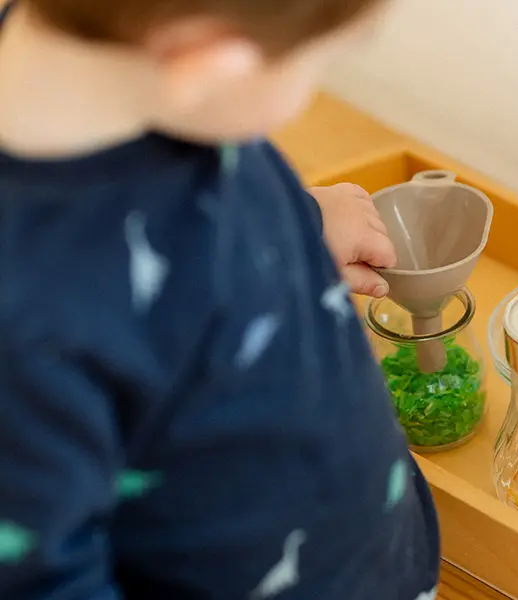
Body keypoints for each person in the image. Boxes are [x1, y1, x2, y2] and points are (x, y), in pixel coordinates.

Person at [0, 1, 440, 599]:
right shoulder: (30, 333)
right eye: (324, 59)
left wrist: (303, 219)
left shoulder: (135, 82)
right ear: (209, 64)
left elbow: (205, 202)